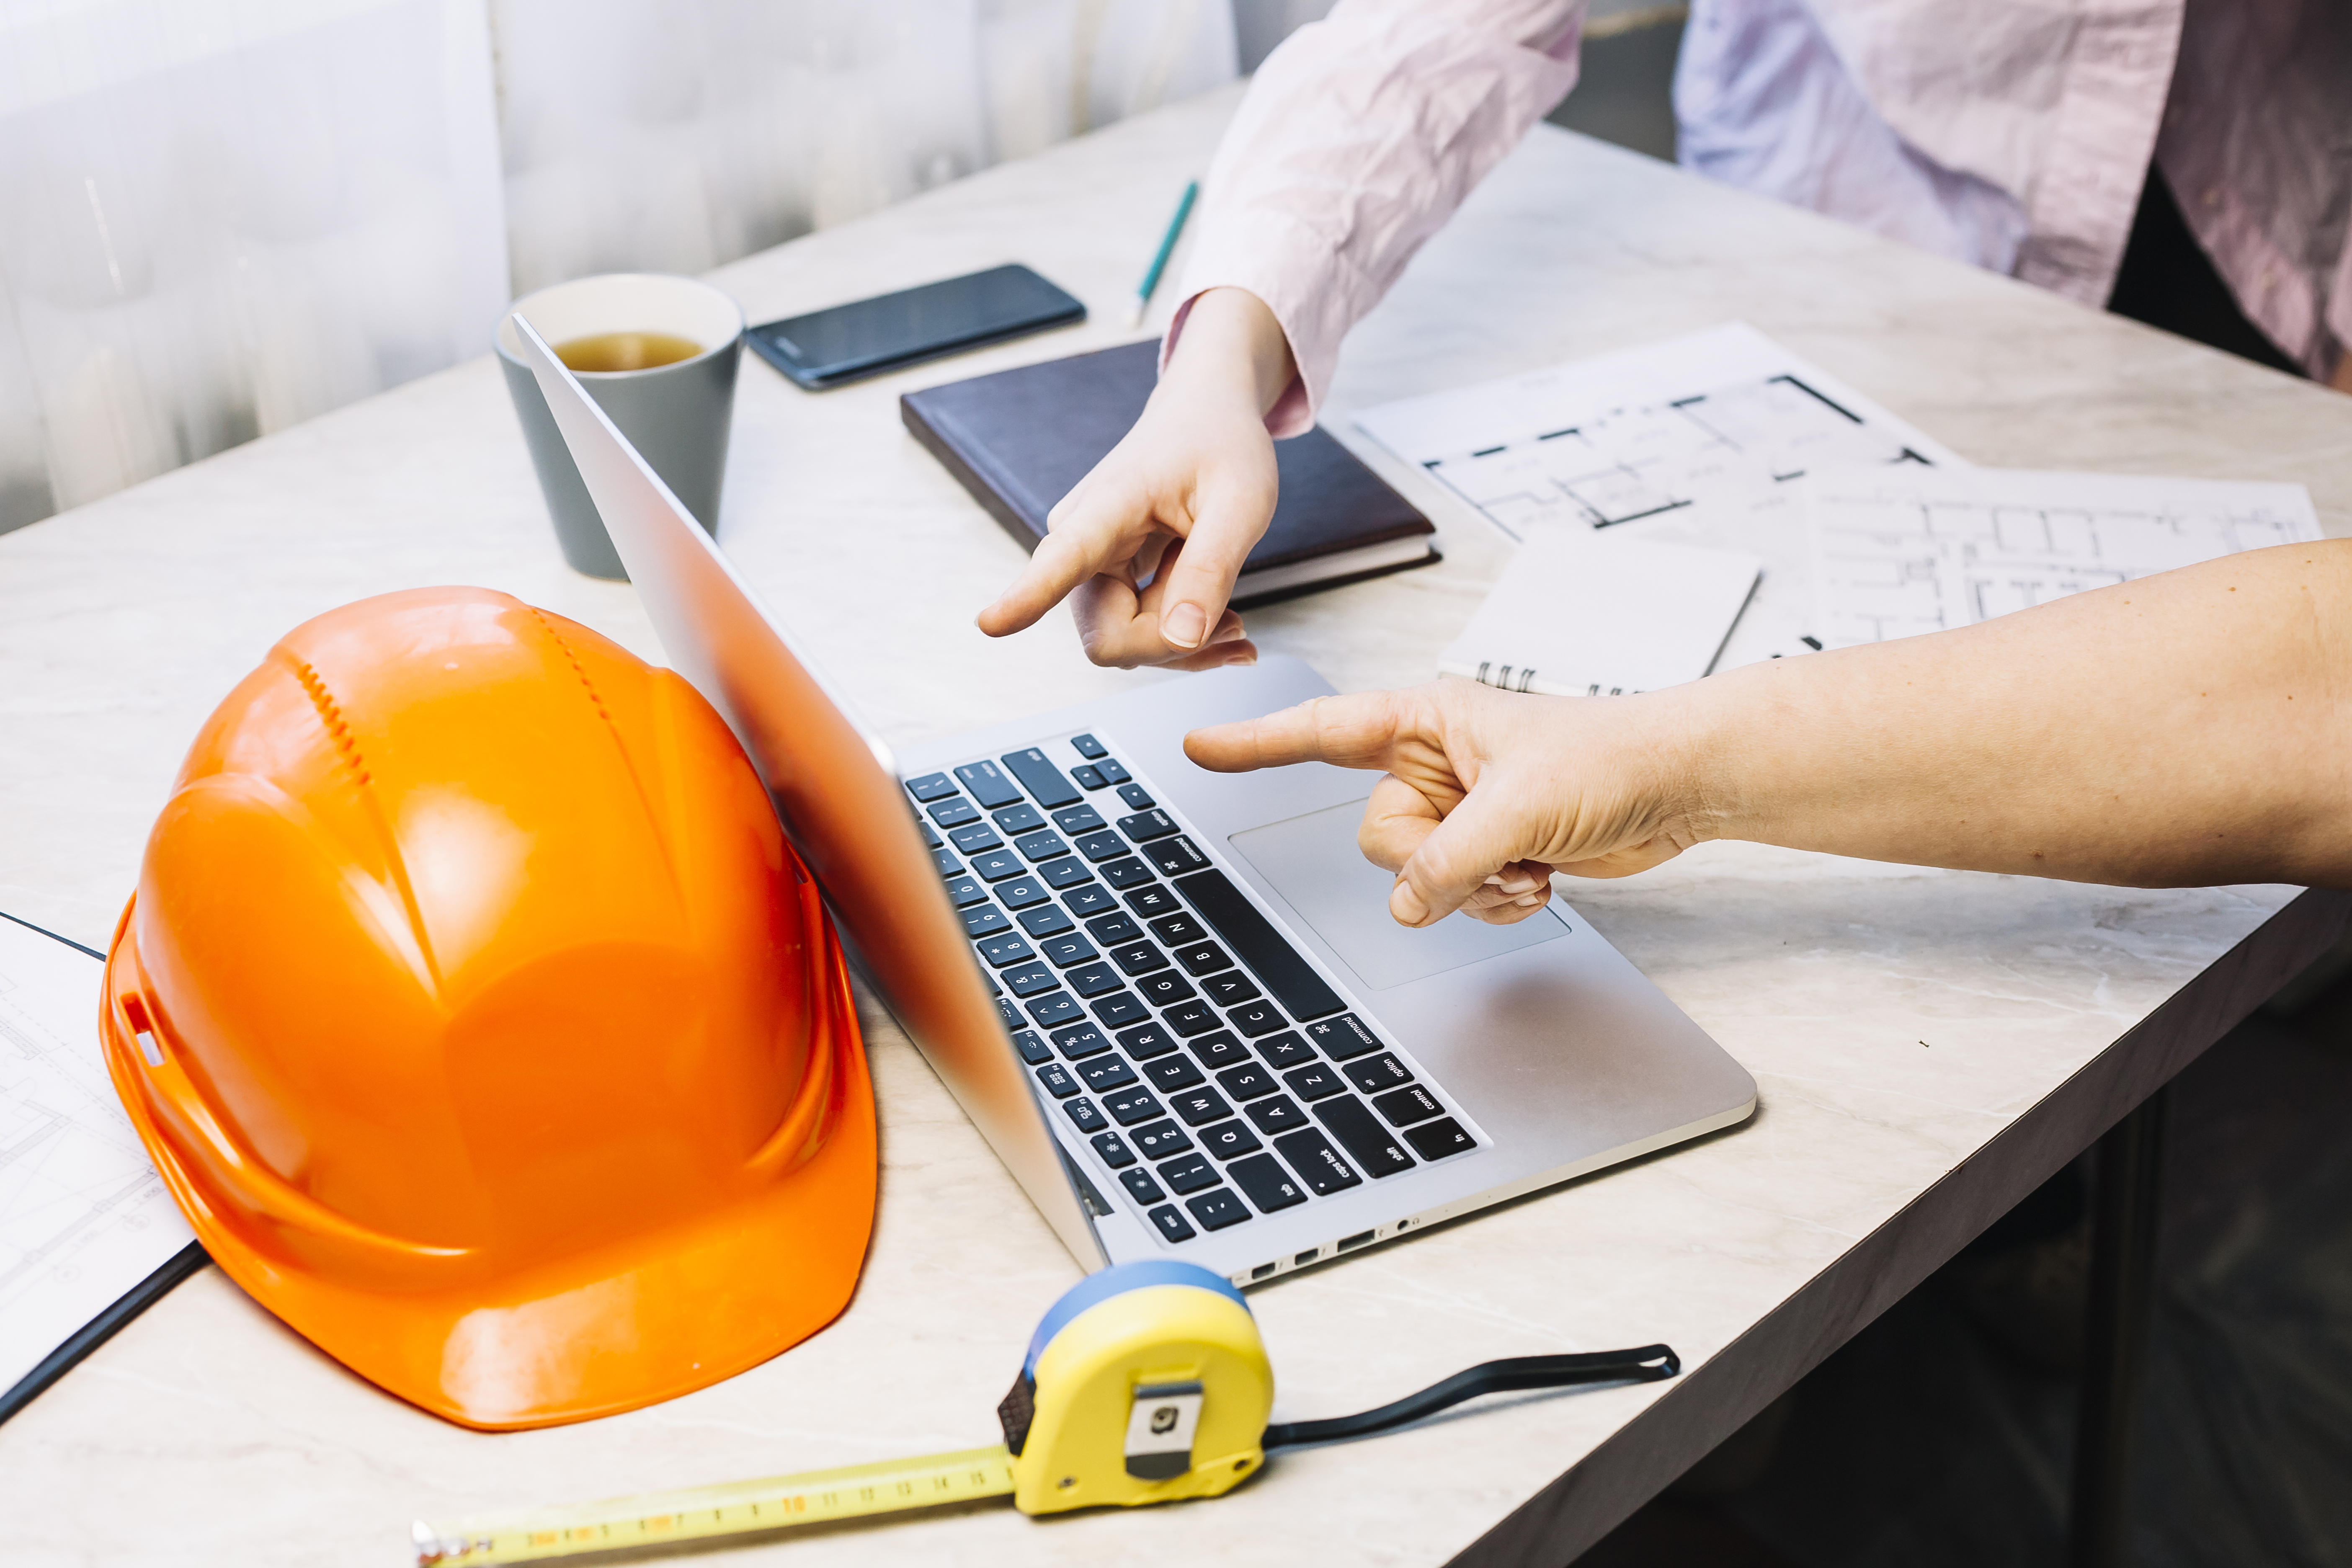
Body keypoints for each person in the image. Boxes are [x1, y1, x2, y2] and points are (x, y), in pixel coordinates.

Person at [972, 0, 2350, 915]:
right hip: (1870, 248)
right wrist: (1225, 358)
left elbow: (2306, 711)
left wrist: (1662, 758)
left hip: (2280, 235)